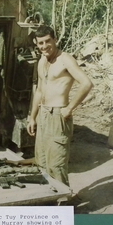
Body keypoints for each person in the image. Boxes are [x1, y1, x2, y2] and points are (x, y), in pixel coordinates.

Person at [16, 25, 93, 186]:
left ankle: (63, 203)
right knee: (42, 161)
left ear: (55, 40)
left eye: (47, 41)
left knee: (56, 165)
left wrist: (69, 108)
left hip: (58, 115)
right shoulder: (42, 61)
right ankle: (49, 199)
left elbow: (86, 84)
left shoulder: (65, 59)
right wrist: (32, 117)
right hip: (43, 114)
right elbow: (39, 91)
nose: (44, 46)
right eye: (40, 43)